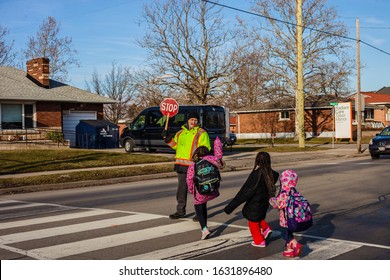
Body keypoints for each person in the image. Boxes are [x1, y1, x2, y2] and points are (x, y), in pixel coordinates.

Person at [224, 152, 279, 247]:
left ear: (257, 161)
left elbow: (244, 192)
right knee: (258, 217)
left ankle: (259, 241)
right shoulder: (274, 174)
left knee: (253, 222)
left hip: (254, 203)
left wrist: (230, 207)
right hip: (264, 202)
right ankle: (266, 229)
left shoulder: (255, 174)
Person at [163, 111, 211, 220]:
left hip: (195, 166)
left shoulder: (202, 133)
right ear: (187, 121)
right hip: (181, 165)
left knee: (197, 190)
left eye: (195, 120)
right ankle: (180, 211)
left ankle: (199, 213)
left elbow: (206, 149)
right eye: (191, 120)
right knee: (181, 190)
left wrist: (199, 158)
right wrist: (168, 140)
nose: (193, 122)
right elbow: (175, 146)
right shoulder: (180, 133)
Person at [186, 137, 223, 240]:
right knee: (204, 206)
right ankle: (205, 226)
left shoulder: (193, 165)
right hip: (213, 190)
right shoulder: (214, 160)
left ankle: (204, 229)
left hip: (200, 192)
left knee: (199, 207)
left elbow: (189, 180)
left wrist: (192, 190)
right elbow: (219, 152)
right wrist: (217, 140)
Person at [269, 169, 303, 258]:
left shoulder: (284, 192)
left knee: (284, 234)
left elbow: (279, 204)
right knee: (289, 233)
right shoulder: (294, 191)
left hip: (285, 220)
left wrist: (271, 200)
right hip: (293, 218)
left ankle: (295, 244)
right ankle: (290, 250)